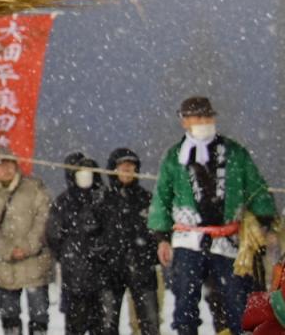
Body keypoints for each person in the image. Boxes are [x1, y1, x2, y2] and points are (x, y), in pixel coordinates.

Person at [148, 96, 277, 335]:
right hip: (188, 240)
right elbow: (162, 198)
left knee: (239, 303)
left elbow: (257, 188)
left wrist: (263, 221)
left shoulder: (234, 153)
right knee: (185, 306)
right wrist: (161, 236)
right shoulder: (174, 156)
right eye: (197, 117)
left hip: (229, 241)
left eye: (207, 117)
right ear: (184, 121)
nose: (203, 122)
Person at [0, 147, 53, 335]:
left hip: (35, 263)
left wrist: (28, 246)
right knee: (9, 317)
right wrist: (8, 250)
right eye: (0, 165)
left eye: (9, 164)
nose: (5, 169)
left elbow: (44, 217)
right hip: (5, 266)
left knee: (39, 316)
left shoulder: (34, 188)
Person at [46, 152, 109, 335]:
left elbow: (112, 231)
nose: (84, 176)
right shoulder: (63, 201)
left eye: (88, 171)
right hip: (74, 278)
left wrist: (101, 248)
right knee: (76, 326)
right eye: (80, 172)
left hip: (102, 277)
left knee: (103, 327)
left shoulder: (103, 198)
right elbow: (53, 235)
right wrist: (69, 256)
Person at [98, 148, 160, 335]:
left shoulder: (147, 199)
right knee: (108, 325)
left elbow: (159, 232)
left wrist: (149, 255)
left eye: (131, 166)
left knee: (150, 322)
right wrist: (102, 254)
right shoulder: (102, 199)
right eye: (122, 166)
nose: (127, 170)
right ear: (113, 169)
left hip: (142, 267)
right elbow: (91, 233)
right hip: (109, 270)